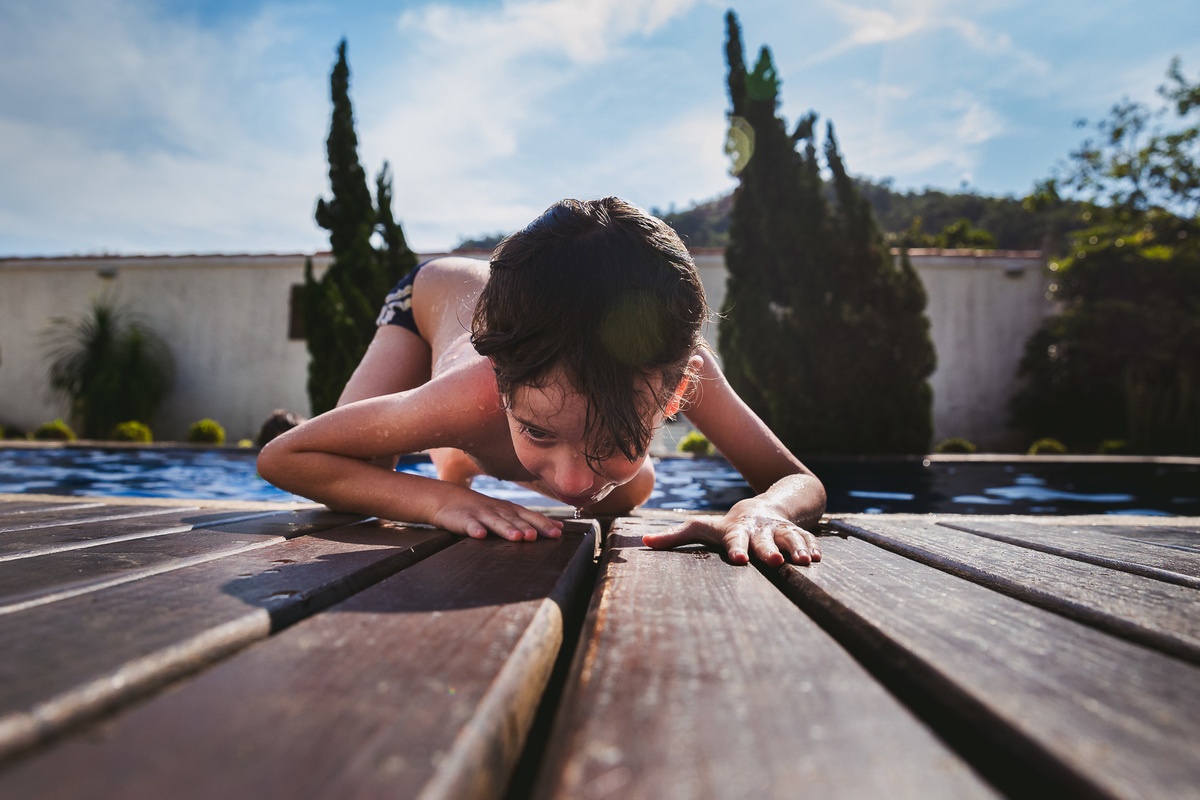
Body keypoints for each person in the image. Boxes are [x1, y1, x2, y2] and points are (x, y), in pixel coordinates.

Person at [258, 198, 825, 566]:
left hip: (503, 358)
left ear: (674, 397)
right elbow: (286, 457)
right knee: (365, 477)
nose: (573, 482)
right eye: (537, 429)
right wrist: (437, 500)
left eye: (613, 439)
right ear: (502, 386)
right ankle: (453, 457)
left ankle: (467, 452)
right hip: (429, 300)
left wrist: (762, 510)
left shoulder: (673, 364)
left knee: (628, 489)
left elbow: (798, 482)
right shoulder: (476, 387)